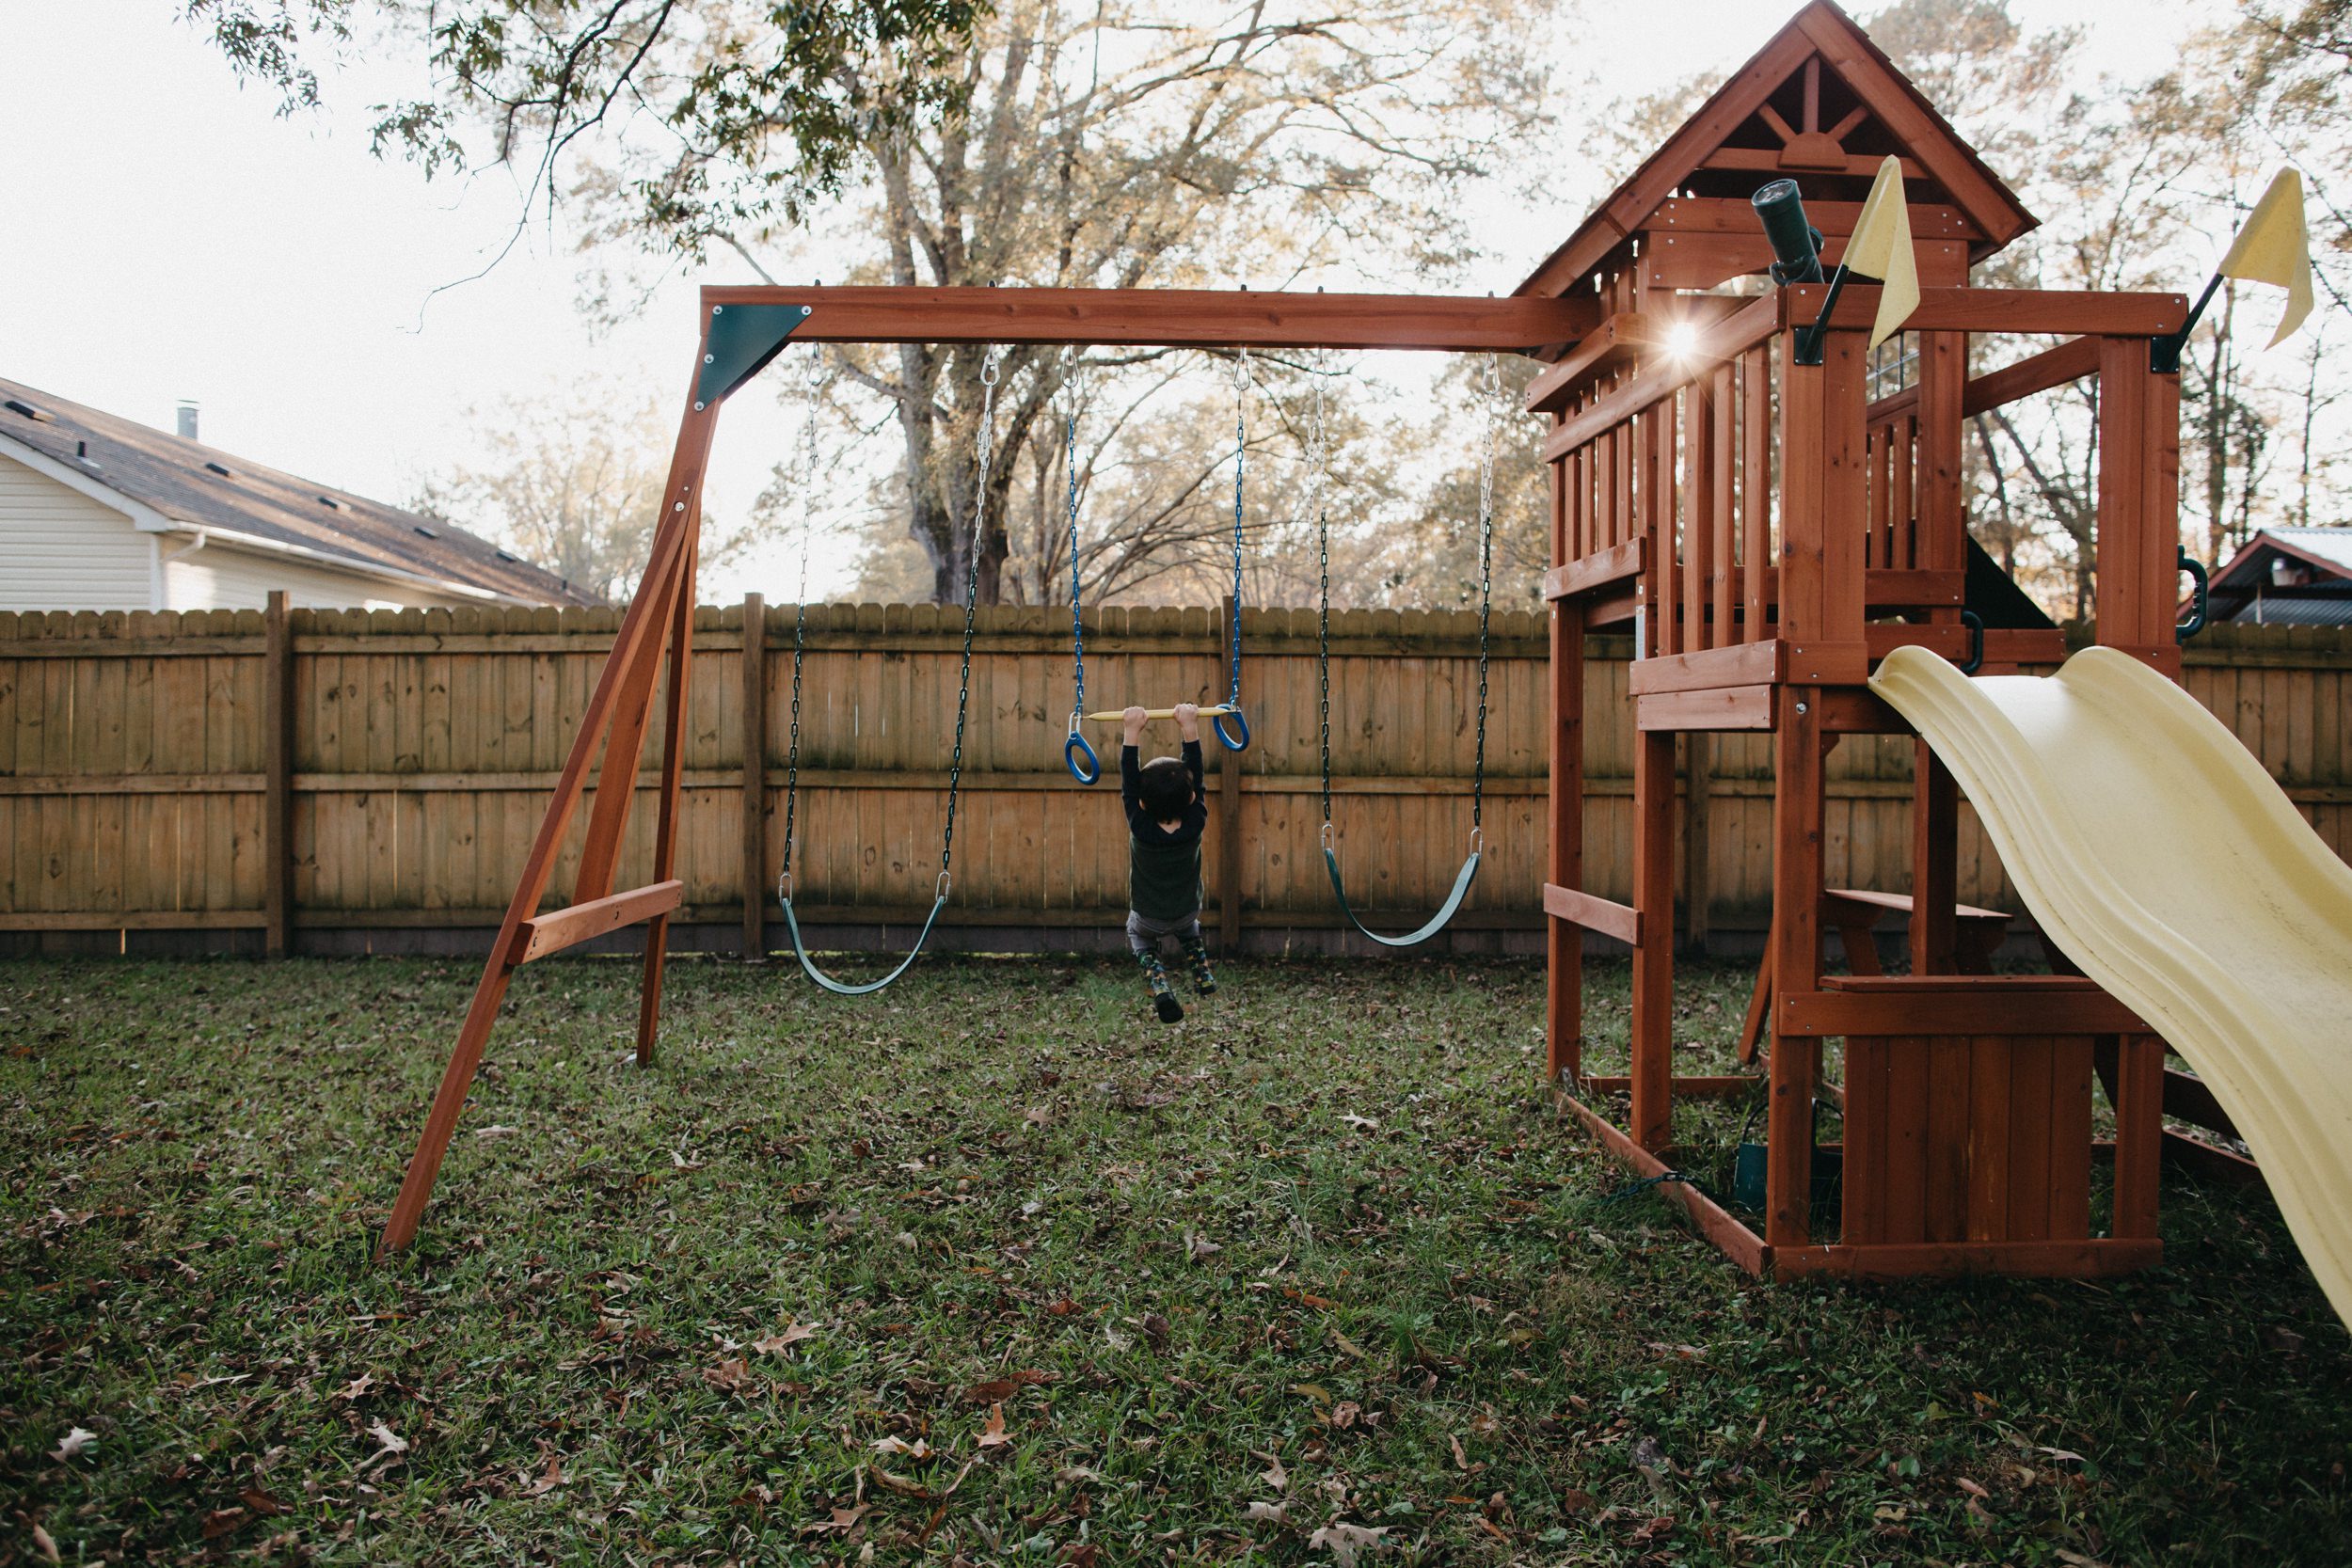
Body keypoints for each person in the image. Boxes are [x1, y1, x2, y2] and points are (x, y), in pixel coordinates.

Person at [1120, 702, 1218, 1022]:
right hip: (1187, 909)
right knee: (1188, 927)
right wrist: (1189, 728)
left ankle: (1159, 983)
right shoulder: (1195, 822)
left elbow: (1128, 784)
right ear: (1191, 799)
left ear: (1143, 803)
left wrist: (1131, 731)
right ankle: (1200, 967)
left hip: (1148, 916)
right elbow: (1197, 775)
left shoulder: (1141, 824)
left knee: (1138, 936)